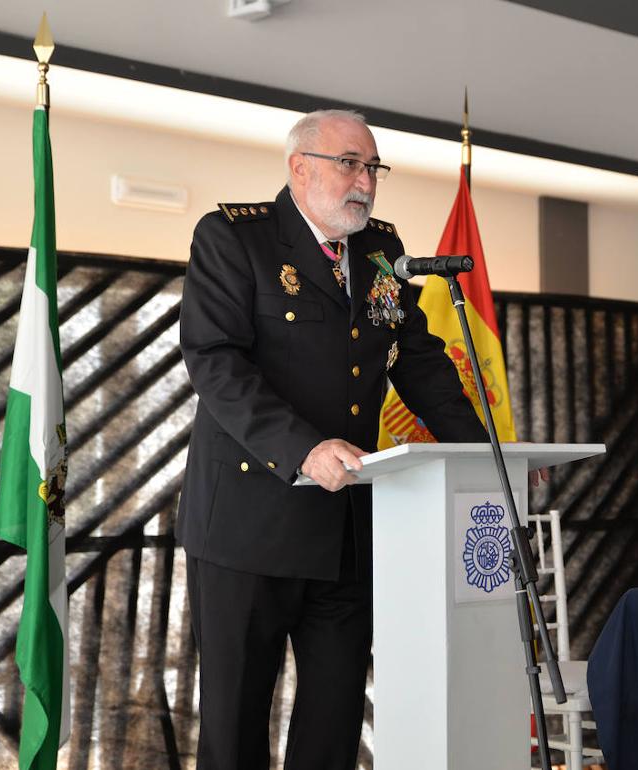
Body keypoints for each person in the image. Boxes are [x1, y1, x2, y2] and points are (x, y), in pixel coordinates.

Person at [176, 109, 490, 769]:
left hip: (344, 531)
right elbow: (216, 363)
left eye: (372, 167)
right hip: (248, 529)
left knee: (334, 723)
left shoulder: (379, 250)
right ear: (300, 167)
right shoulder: (237, 240)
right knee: (234, 734)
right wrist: (304, 448)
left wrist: (485, 455)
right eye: (349, 163)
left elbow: (420, 363)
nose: (365, 182)